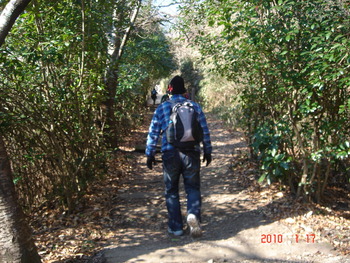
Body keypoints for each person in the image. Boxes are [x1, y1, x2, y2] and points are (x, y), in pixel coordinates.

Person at [145, 75, 212, 238]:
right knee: (193, 188)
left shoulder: (162, 108)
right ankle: (193, 215)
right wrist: (208, 151)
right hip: (191, 152)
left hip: (170, 153)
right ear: (184, 91)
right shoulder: (195, 107)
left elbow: (153, 132)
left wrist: (150, 153)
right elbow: (204, 131)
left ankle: (175, 227)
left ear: (170, 90)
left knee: (171, 190)